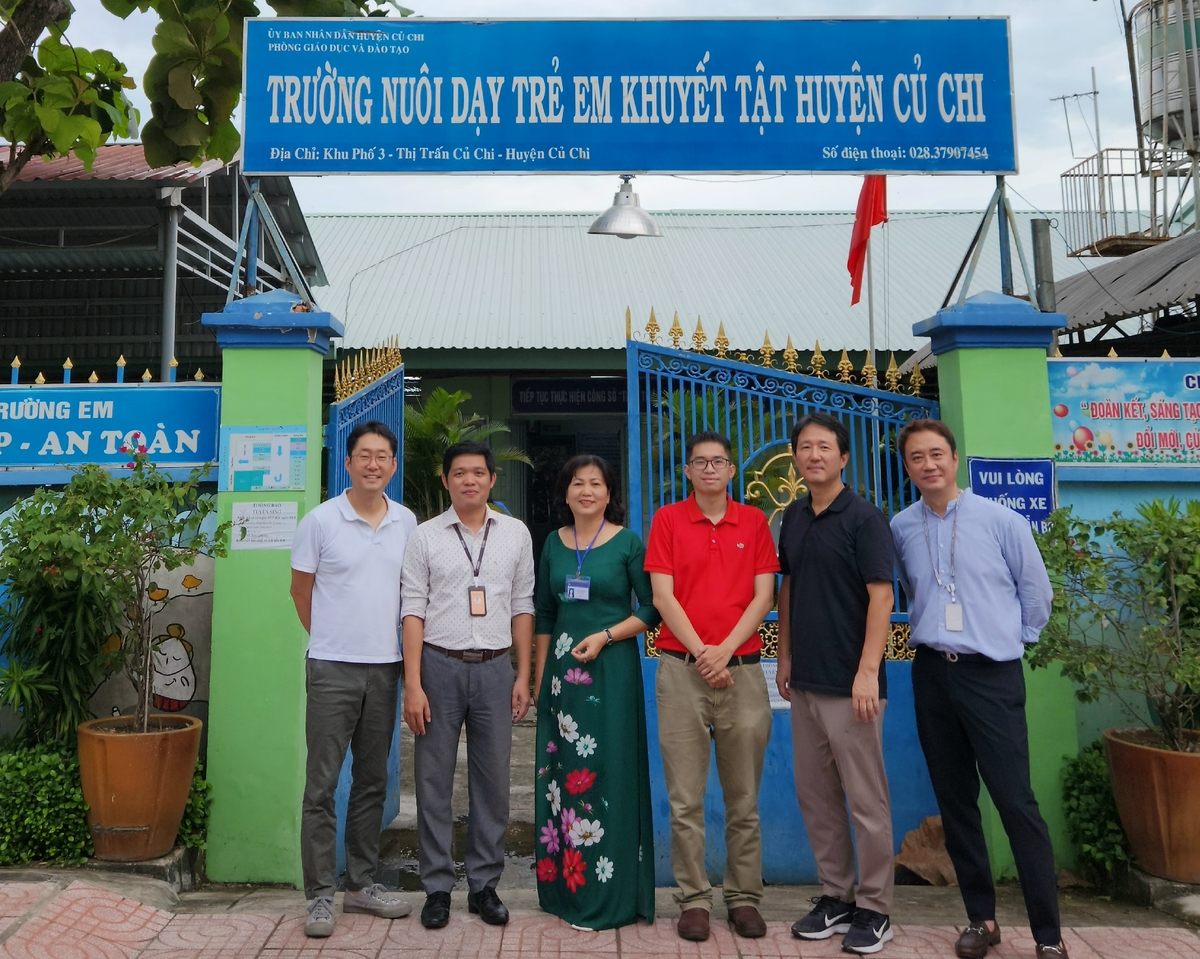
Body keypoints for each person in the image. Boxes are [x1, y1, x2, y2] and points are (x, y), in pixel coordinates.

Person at [891, 420, 1066, 959]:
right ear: (907, 466)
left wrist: (1010, 641)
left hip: (991, 674)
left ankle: (1048, 936)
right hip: (932, 675)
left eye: (937, 454)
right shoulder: (900, 526)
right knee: (956, 803)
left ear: (955, 458)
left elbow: (1036, 591)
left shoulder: (1000, 520)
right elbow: (909, 587)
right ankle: (982, 920)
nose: (928, 464)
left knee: (1016, 803)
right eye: (917, 457)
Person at [643, 431, 778, 943]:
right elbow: (662, 593)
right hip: (682, 671)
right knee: (685, 799)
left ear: (730, 469)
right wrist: (703, 651)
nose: (709, 470)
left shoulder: (755, 522)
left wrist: (724, 651)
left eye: (718, 461)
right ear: (687, 471)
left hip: (742, 670)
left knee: (744, 798)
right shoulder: (668, 521)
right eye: (699, 462)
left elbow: (764, 595)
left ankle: (743, 898)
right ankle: (693, 900)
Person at [400, 440, 535, 930]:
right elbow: (412, 610)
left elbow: (523, 604)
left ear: (493, 480)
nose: (470, 480)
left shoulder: (516, 534)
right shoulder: (425, 537)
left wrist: (523, 674)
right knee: (433, 780)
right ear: (445, 481)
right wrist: (412, 685)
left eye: (479, 472)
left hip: (497, 667)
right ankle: (437, 887)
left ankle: (484, 885)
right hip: (439, 665)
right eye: (459, 473)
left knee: (494, 781)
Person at [776, 412, 897, 956]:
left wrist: (868, 671)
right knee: (816, 797)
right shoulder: (794, 517)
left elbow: (882, 596)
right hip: (804, 682)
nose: (815, 455)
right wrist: (784, 655)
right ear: (796, 457)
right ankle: (836, 896)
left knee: (866, 800)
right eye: (805, 447)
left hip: (853, 688)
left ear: (843, 458)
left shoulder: (864, 517)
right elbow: (789, 587)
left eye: (825, 447)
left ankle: (876, 907)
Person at [289, 420, 416, 939]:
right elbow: (301, 592)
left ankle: (361, 884)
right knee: (320, 785)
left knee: (370, 781)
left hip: (386, 669)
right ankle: (320, 895)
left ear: (392, 465)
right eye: (363, 455)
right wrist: (331, 643)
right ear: (347, 463)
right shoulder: (320, 521)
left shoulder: (407, 521)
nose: (372, 464)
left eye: (381, 456)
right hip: (332, 669)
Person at [532, 454, 659, 929]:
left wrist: (606, 636)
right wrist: (541, 679)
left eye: (597, 483)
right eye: (578, 483)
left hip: (612, 673)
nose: (587, 491)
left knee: (610, 774)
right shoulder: (552, 543)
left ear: (609, 493)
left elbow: (650, 610)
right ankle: (568, 890)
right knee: (565, 780)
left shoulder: (627, 542)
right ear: (565, 493)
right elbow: (544, 613)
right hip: (563, 679)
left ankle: (613, 894)